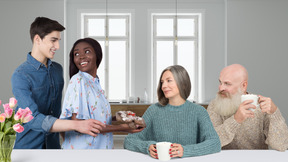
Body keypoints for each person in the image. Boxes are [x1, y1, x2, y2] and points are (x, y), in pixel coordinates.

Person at [11, 17, 105, 149]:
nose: (58, 46)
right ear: (37, 39)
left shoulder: (57, 70)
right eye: (53, 40)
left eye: (58, 41)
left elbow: (59, 111)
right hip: (28, 148)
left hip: (53, 147)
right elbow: (33, 119)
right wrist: (77, 125)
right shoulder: (20, 75)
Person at [60, 38, 144, 149]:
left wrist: (116, 118)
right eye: (76, 54)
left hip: (100, 149)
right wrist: (123, 127)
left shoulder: (95, 83)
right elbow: (81, 124)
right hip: (83, 152)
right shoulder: (78, 81)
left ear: (97, 55)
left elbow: (95, 118)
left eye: (87, 51)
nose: (81, 56)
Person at [124, 65, 221, 159]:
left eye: (169, 81)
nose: (164, 86)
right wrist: (147, 147)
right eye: (162, 82)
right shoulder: (153, 110)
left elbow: (215, 143)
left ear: (183, 83)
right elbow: (129, 140)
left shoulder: (199, 111)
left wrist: (186, 150)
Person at [207, 64, 288, 151]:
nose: (221, 88)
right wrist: (236, 120)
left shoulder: (261, 105)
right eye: (220, 82)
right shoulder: (215, 105)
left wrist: (274, 113)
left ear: (244, 86)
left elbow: (281, 145)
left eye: (227, 84)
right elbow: (210, 142)